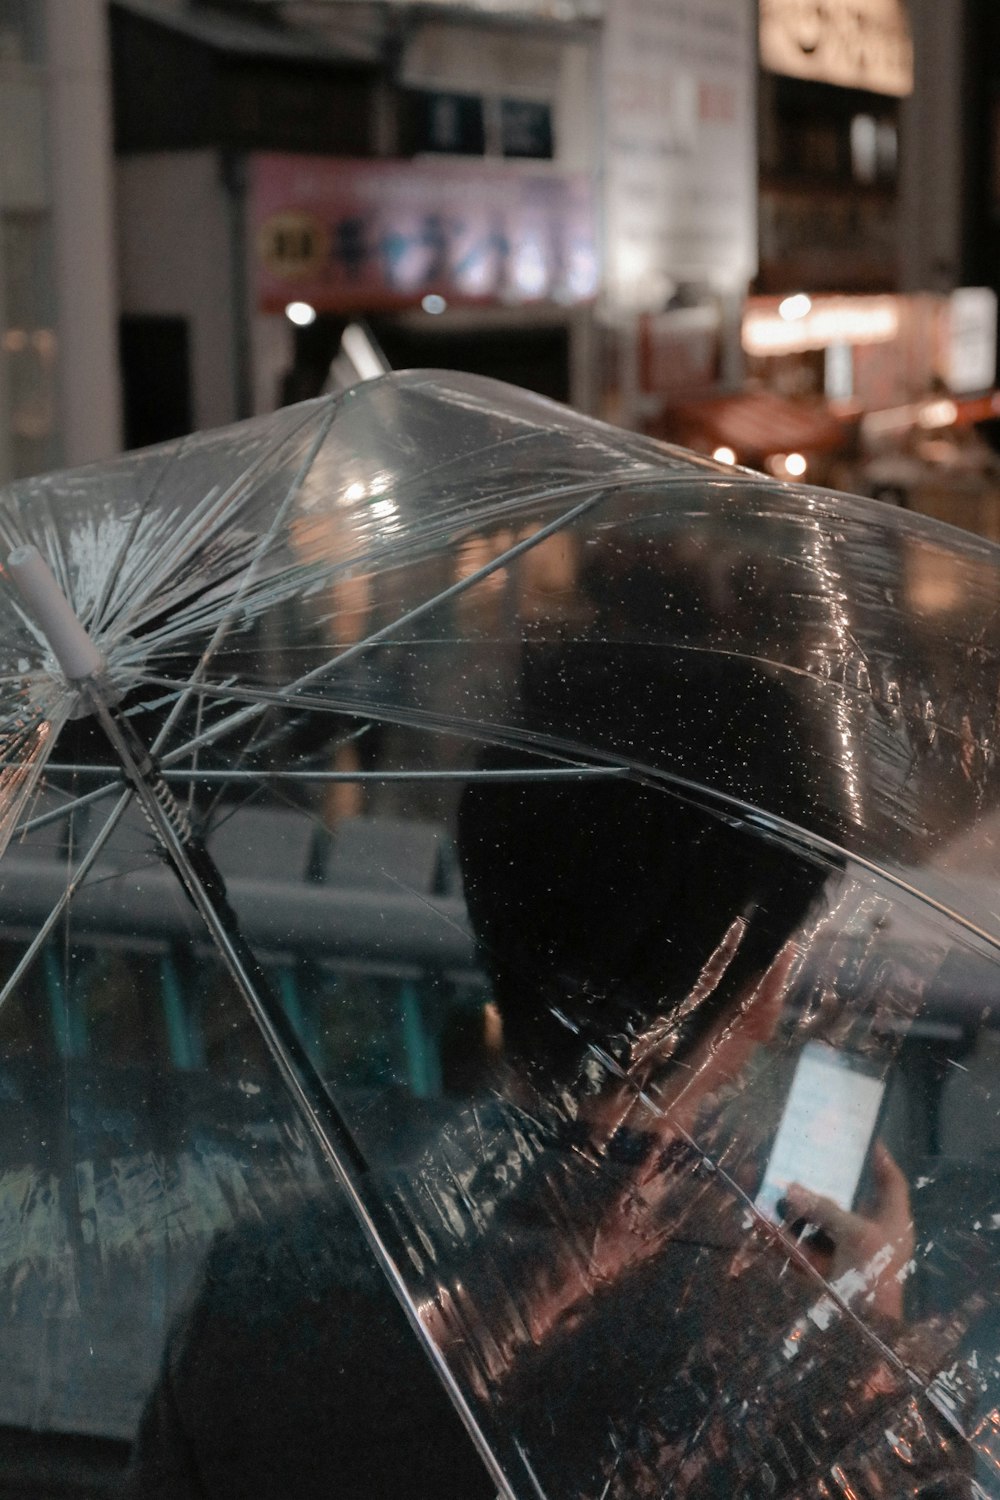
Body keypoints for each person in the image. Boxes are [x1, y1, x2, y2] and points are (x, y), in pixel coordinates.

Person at [124, 650, 966, 1499]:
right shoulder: (778, 1373)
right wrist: (864, 1354)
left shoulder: (266, 1293)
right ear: (763, 994)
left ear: (494, 924)